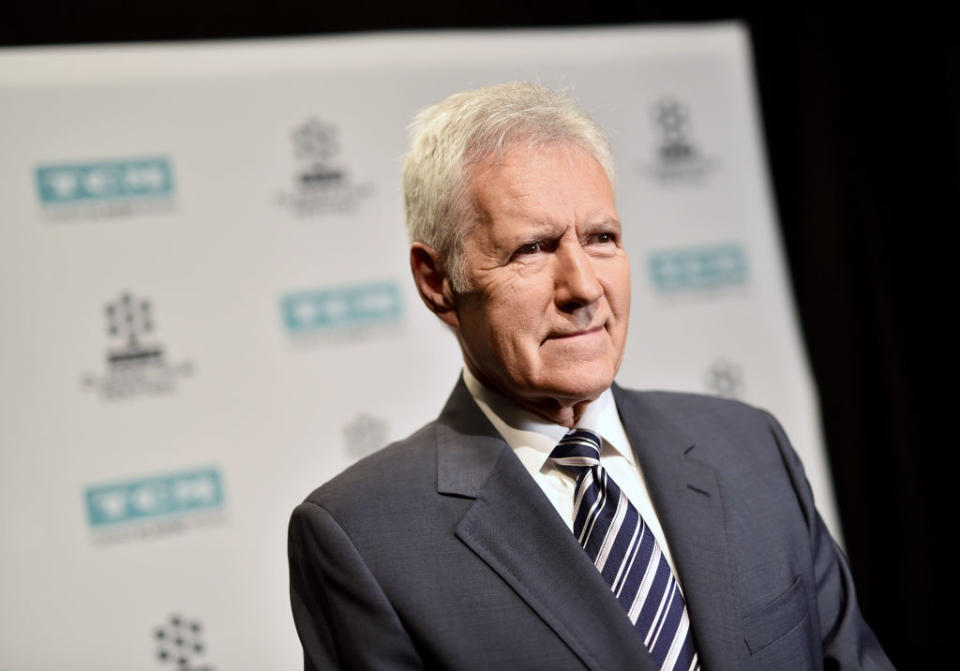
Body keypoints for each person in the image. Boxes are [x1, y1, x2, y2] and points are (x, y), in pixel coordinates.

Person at [288, 82, 892, 670]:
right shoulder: (362, 538)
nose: (583, 287)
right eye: (532, 249)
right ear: (437, 281)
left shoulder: (749, 447)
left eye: (602, 238)